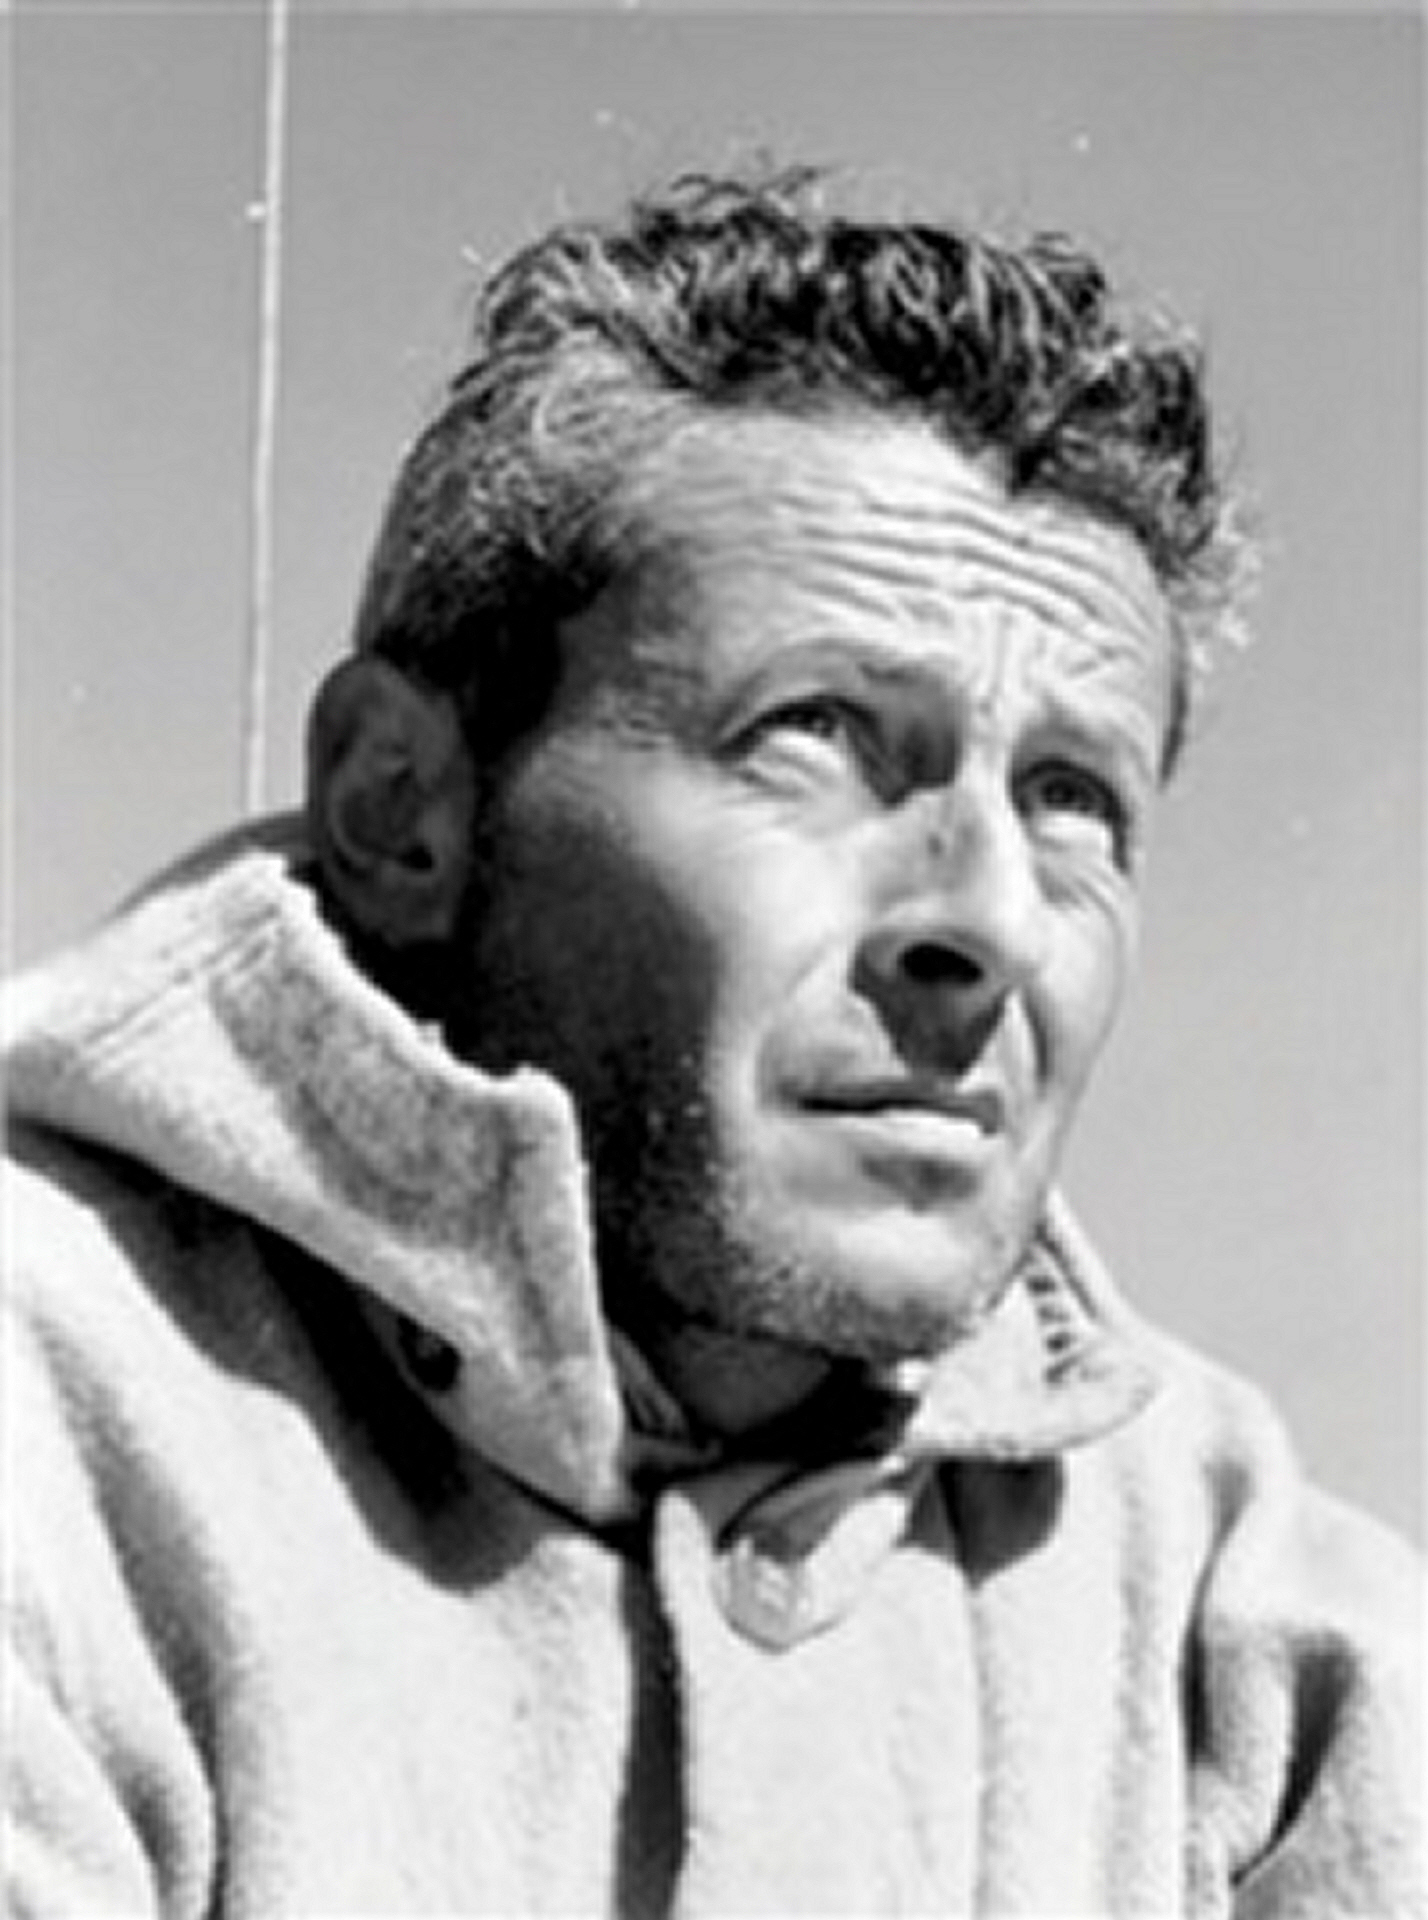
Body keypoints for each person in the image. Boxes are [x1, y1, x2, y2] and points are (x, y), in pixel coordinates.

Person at [4, 165, 1420, 1919]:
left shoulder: (1238, 1606)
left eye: (1072, 798)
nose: (990, 920)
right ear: (401, 808)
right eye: (816, 732)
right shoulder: (54, 1426)